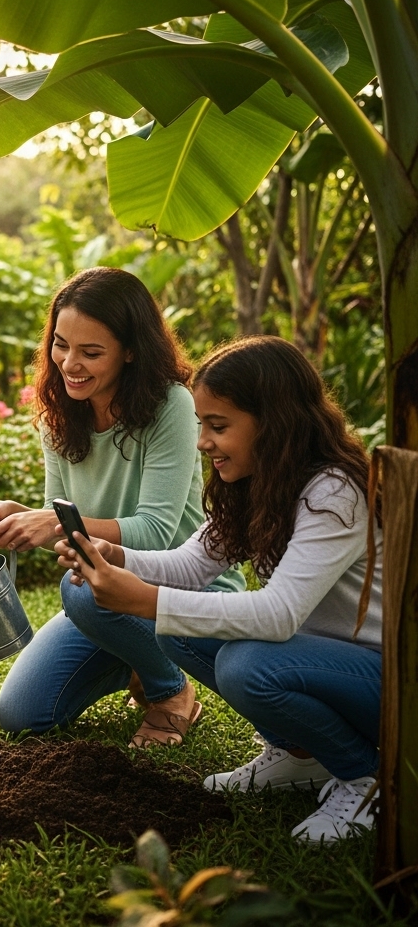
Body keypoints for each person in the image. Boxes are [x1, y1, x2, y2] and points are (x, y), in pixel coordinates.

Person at [57, 336, 382, 844]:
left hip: (384, 681)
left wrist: (147, 600)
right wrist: (119, 557)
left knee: (245, 665)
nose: (203, 442)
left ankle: (366, 779)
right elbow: (191, 565)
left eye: (218, 426)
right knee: (177, 634)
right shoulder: (258, 480)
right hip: (323, 664)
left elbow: (279, 615)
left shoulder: (333, 492)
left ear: (273, 424)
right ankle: (300, 756)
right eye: (202, 425)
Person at [0, 266, 243, 746]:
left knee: (80, 587)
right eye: (61, 345)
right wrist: (19, 513)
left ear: (130, 351)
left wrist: (53, 523)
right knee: (22, 715)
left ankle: (169, 693)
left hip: (186, 584)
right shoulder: (60, 411)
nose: (70, 363)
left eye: (91, 352)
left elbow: (156, 530)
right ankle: (134, 655)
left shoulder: (171, 406)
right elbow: (66, 514)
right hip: (104, 594)